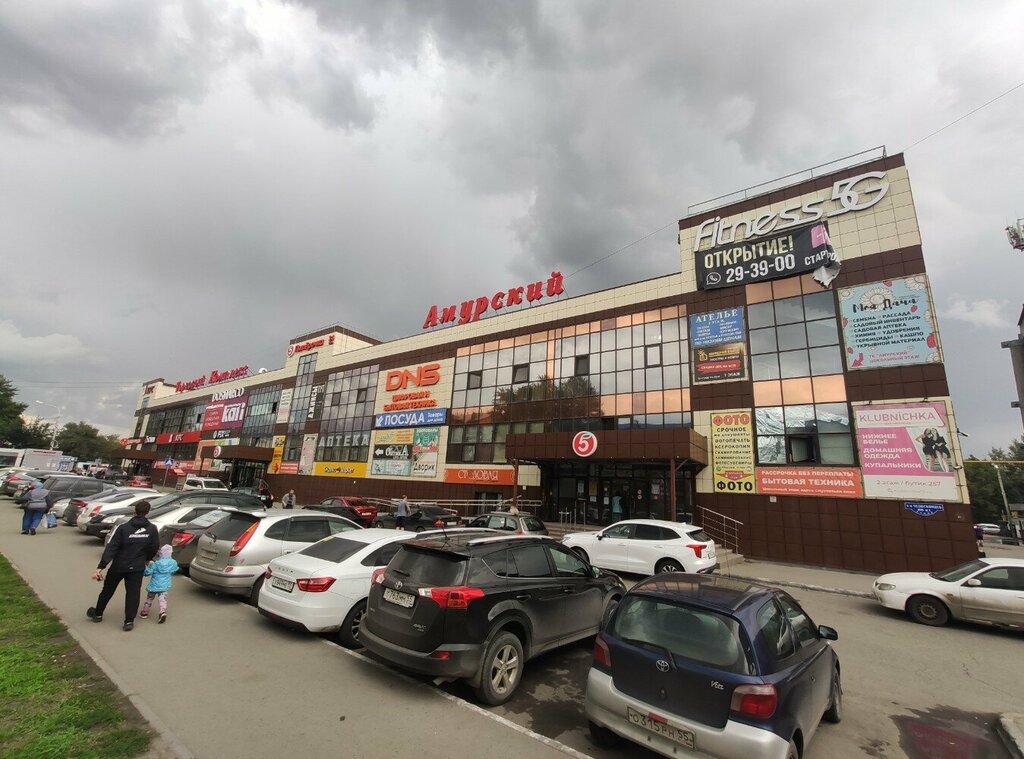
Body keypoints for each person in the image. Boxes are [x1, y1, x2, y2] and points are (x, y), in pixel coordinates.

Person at [87, 500, 159, 631]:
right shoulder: (152, 529)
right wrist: (147, 559)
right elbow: (154, 547)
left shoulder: (123, 528)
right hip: (137, 567)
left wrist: (101, 566)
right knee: (133, 593)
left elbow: (112, 547)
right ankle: (129, 621)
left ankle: (98, 614)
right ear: (148, 512)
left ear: (134, 511)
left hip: (119, 565)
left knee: (108, 590)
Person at [140, 545, 179, 624]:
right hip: (164, 585)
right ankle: (162, 612)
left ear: (161, 553)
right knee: (162, 599)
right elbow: (174, 570)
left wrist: (145, 567)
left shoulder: (157, 563)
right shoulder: (173, 562)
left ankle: (144, 612)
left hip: (154, 585)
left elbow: (148, 573)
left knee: (149, 598)